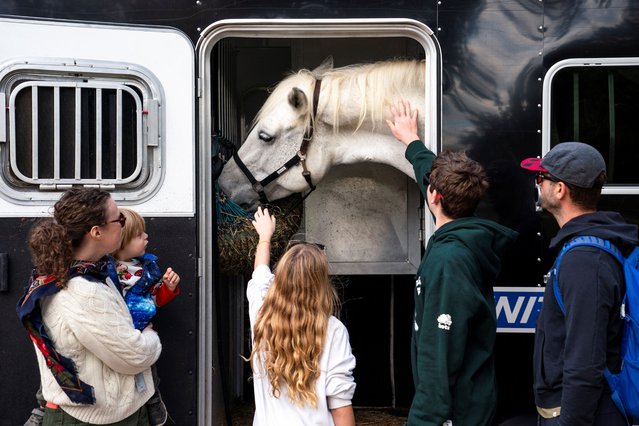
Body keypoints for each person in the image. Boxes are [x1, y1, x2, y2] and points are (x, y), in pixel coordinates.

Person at [386, 100, 518, 425]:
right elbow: (433, 180)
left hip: (454, 416)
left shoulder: (449, 262)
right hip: (471, 404)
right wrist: (412, 143)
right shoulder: (467, 235)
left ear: (433, 198)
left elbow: (438, 357)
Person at [17, 188, 162, 425]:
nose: (123, 225)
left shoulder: (86, 272)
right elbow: (133, 355)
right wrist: (149, 335)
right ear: (96, 232)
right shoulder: (83, 290)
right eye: (119, 219)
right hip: (93, 419)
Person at [521, 142, 637, 425]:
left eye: (541, 178)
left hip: (583, 416)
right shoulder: (585, 247)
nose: (537, 185)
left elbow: (584, 362)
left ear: (560, 190)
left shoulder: (585, 260)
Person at [247, 206, 357, 426]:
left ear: (280, 279)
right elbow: (340, 404)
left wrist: (265, 237)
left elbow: (260, 271)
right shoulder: (333, 330)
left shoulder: (261, 313)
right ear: (321, 284)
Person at [112, 208, 181, 426]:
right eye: (139, 235)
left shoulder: (147, 268)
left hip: (141, 330)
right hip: (116, 332)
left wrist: (168, 288)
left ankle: (152, 399)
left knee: (149, 368)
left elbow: (153, 300)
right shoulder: (107, 271)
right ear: (121, 241)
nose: (146, 237)